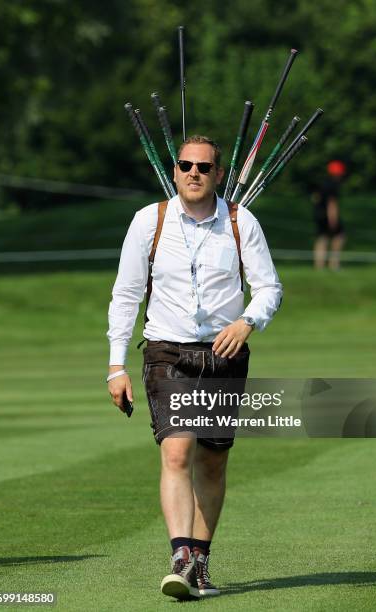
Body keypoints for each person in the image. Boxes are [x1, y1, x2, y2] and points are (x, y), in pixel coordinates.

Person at [107, 135, 282, 600]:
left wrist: (249, 321)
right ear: (174, 169)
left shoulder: (241, 222)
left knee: (212, 459)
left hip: (225, 354)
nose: (193, 173)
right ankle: (181, 556)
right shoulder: (150, 221)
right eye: (185, 165)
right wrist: (115, 365)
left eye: (204, 167)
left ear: (218, 174)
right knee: (177, 452)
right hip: (166, 352)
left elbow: (269, 288)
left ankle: (200, 561)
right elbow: (125, 295)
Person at [312, 160, 346, 270]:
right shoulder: (333, 185)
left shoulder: (322, 183)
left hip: (318, 215)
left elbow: (315, 199)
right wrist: (333, 220)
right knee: (339, 238)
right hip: (328, 216)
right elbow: (332, 204)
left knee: (322, 239)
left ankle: (319, 265)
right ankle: (334, 264)